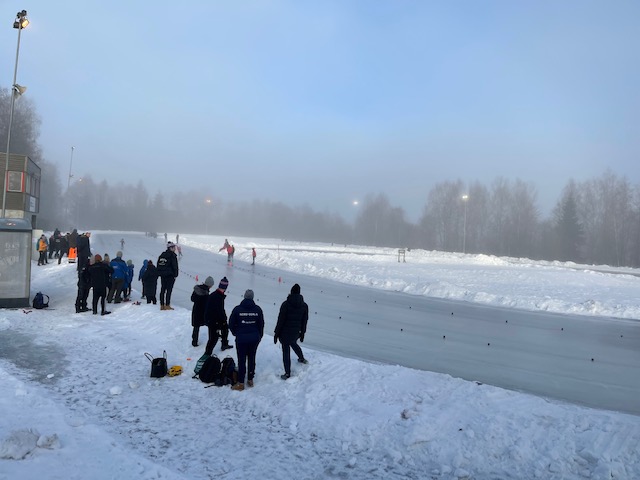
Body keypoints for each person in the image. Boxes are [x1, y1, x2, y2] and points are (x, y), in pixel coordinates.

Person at [229, 289, 264, 391]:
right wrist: (259, 336)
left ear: (244, 297)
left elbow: (231, 324)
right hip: (254, 339)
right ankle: (250, 379)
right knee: (252, 358)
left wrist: (236, 333)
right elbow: (261, 325)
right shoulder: (258, 310)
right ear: (252, 298)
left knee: (241, 360)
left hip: (241, 339)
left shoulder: (237, 309)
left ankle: (240, 383)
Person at [274, 283, 309, 380]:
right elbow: (304, 321)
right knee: (293, 343)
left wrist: (276, 334)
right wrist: (302, 334)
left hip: (285, 333)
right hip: (295, 333)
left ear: (291, 292)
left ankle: (287, 373)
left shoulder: (285, 304)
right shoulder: (304, 306)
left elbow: (280, 320)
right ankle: (301, 358)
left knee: (286, 352)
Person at [204, 276, 233, 354]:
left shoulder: (217, 295)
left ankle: (224, 344)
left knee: (225, 329)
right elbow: (218, 310)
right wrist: (223, 319)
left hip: (213, 319)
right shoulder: (217, 297)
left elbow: (220, 310)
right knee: (213, 338)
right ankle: (207, 353)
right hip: (213, 321)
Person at [191, 276, 214, 347]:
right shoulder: (206, 294)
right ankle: (213, 338)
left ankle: (194, 341)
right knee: (210, 324)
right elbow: (207, 304)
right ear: (210, 285)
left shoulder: (197, 289)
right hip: (203, 311)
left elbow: (192, 299)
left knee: (196, 326)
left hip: (196, 310)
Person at [157, 241, 179, 310]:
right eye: (174, 247)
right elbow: (175, 266)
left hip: (163, 275)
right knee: (169, 290)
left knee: (163, 289)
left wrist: (160, 272)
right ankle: (167, 305)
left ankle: (162, 305)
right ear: (170, 248)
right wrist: (175, 274)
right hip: (170, 275)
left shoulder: (162, 255)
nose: (175, 249)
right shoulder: (172, 256)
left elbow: (158, 264)